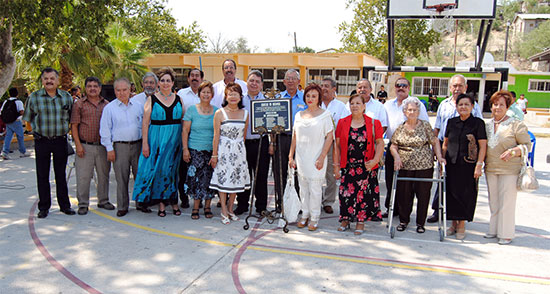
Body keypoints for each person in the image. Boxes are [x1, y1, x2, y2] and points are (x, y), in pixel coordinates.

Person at [427, 74, 483, 223]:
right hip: (446, 148)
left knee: (461, 186)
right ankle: (438, 211)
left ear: (466, 87)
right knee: (443, 180)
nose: (457, 88)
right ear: (450, 88)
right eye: (454, 86)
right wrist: (436, 151)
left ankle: (460, 218)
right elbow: (437, 129)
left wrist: (478, 161)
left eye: (460, 85)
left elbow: (478, 132)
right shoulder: (443, 104)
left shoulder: (473, 106)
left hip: (465, 152)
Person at [23, 67, 75, 218]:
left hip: (60, 141)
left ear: (57, 80)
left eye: (52, 78)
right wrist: (35, 132)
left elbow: (72, 119)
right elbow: (28, 119)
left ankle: (65, 206)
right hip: (42, 141)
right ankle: (44, 207)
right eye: (46, 78)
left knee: (61, 174)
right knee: (42, 175)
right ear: (42, 81)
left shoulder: (66, 97)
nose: (49, 81)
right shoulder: (34, 97)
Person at [132, 68, 183, 217]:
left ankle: (174, 201)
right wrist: (145, 144)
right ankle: (161, 204)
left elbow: (183, 121)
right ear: (158, 83)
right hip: (157, 141)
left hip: (174, 142)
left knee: (173, 172)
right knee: (159, 171)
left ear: (173, 83)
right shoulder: (151, 99)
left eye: (168, 80)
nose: (165, 83)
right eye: (162, 80)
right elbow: (145, 123)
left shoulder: (179, 99)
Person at [390, 98, 445, 234]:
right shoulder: (401, 127)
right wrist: (396, 157)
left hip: (424, 167)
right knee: (404, 195)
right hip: (405, 167)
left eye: (415, 110)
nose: (412, 112)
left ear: (419, 111)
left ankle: (421, 223)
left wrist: (439, 157)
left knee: (423, 195)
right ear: (404, 112)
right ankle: (404, 221)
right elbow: (393, 145)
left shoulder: (425, 125)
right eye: (409, 110)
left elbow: (435, 142)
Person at [484, 90, 531, 245]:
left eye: (501, 105)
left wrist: (513, 151)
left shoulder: (515, 124)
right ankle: (494, 230)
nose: (497, 107)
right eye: (495, 104)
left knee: (507, 202)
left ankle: (506, 234)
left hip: (509, 170)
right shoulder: (488, 125)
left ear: (507, 106)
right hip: (491, 169)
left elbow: (526, 145)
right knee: (494, 202)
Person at [333, 94, 384, 235]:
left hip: (366, 166)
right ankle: (345, 219)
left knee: (363, 195)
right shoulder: (342, 122)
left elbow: (380, 143)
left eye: (358, 103)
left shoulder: (374, 123)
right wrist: (336, 165)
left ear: (364, 106)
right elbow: (337, 146)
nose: (355, 106)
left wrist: (375, 160)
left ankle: (360, 221)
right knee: (345, 194)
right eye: (352, 103)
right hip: (348, 166)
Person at [288, 84, 334, 231]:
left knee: (315, 188)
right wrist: (291, 155)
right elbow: (294, 137)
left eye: (314, 96)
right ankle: (304, 214)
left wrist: (322, 157)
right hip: (301, 157)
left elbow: (329, 137)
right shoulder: (298, 115)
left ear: (319, 98)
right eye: (308, 96)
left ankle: (314, 217)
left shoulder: (325, 115)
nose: (310, 99)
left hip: (317, 157)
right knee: (303, 187)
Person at [382, 77, 429, 218]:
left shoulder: (416, 104)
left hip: (411, 149)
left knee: (406, 185)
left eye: (404, 85)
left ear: (408, 88)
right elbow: (383, 126)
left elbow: (426, 126)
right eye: (398, 85)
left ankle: (404, 212)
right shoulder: (388, 105)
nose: (400, 88)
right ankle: (391, 208)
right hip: (393, 146)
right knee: (390, 180)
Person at [442, 94, 487, 240]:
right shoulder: (451, 122)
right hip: (451, 163)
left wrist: (479, 165)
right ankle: (453, 223)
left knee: (465, 194)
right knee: (451, 193)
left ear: (472, 107)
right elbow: (445, 143)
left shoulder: (478, 123)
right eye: (460, 104)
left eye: (467, 104)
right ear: (456, 107)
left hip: (469, 165)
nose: (463, 107)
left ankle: (462, 224)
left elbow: (483, 146)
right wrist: (442, 159)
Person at [100, 78, 143, 217]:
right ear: (114, 91)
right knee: (121, 178)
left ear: (130, 89)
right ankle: (123, 206)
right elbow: (105, 130)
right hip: (119, 147)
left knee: (140, 176)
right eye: (118, 90)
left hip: (138, 145)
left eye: (124, 90)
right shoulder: (109, 108)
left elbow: (144, 125)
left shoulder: (138, 106)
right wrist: (109, 149)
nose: (122, 93)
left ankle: (141, 203)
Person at [71, 77, 113, 215]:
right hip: (85, 146)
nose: (93, 88)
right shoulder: (79, 104)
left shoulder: (107, 105)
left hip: (102, 146)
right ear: (85, 88)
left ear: (100, 88)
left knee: (103, 175)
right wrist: (78, 145)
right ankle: (83, 203)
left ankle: (103, 200)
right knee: (83, 176)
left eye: (95, 86)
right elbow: (74, 125)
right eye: (89, 86)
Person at [209, 83, 251, 224]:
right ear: (226, 96)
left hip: (238, 151)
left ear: (240, 97)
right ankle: (223, 210)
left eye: (236, 94)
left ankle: (231, 208)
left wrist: (239, 151)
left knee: (236, 180)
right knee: (224, 180)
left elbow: (243, 136)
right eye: (230, 94)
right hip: (223, 151)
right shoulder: (219, 113)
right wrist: (214, 155)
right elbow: (216, 135)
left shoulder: (245, 114)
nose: (233, 97)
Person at [235, 70, 271, 215]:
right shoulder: (239, 100)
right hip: (243, 143)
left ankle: (261, 207)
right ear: (247, 83)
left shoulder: (268, 101)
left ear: (261, 85)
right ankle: (242, 204)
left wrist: (272, 144)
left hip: (261, 143)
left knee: (261, 176)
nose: (254, 83)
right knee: (244, 175)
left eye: (257, 81)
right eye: (251, 80)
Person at [182, 81, 218, 219]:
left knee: (209, 179)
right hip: (195, 150)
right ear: (199, 93)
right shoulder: (191, 109)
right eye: (203, 92)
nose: (206, 94)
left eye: (208, 92)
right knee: (196, 180)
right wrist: (185, 149)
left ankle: (208, 207)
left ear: (212, 95)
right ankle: (196, 207)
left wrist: (215, 153)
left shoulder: (216, 111)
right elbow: (185, 131)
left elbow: (217, 132)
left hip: (211, 151)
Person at [272, 69, 305, 208]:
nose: (291, 81)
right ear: (284, 81)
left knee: (298, 173)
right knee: (279, 172)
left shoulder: (305, 98)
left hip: (300, 141)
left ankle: (297, 204)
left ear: (298, 81)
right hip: (281, 138)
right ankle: (281, 203)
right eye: (288, 78)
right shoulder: (278, 97)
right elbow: (272, 121)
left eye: (294, 78)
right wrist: (272, 142)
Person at [320, 77, 350, 214]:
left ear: (334, 89)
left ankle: (328, 201)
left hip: (332, 144)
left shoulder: (340, 106)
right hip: (316, 143)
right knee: (315, 172)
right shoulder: (315, 103)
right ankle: (315, 200)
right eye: (322, 86)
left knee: (331, 175)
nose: (324, 88)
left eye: (327, 86)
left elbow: (345, 127)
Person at [176, 68, 205, 209]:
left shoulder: (205, 94)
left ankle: (199, 199)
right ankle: (184, 198)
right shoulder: (181, 94)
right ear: (188, 79)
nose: (194, 78)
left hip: (201, 138)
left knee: (200, 171)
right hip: (185, 136)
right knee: (183, 170)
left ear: (201, 79)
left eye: (197, 76)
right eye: (192, 76)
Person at [1, 87, 30, 159]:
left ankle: (5, 152)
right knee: (20, 136)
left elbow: (1, 111)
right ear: (17, 94)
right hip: (16, 121)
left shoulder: (6, 101)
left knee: (8, 136)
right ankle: (23, 152)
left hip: (8, 122)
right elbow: (21, 111)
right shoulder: (18, 102)